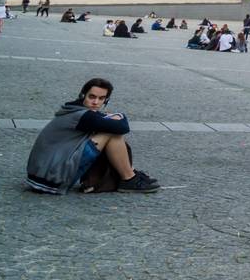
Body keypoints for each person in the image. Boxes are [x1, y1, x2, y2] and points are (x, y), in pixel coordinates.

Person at [25, 77, 160, 194]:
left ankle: (129, 174)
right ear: (83, 95)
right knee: (111, 134)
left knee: (106, 130)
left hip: (41, 174)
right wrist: (118, 115)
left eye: (101, 98)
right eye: (92, 97)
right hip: (52, 178)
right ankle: (129, 178)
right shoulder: (82, 116)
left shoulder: (74, 109)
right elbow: (123, 127)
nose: (96, 102)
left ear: (105, 100)